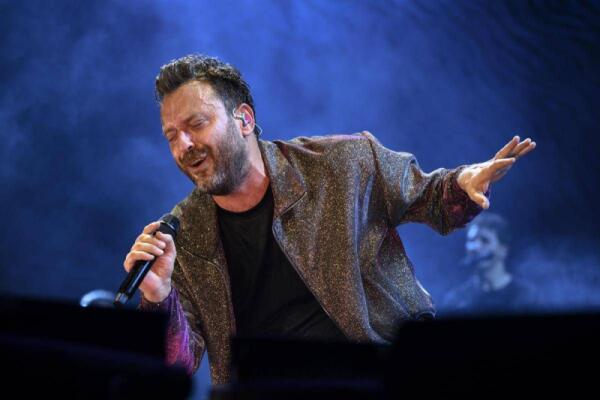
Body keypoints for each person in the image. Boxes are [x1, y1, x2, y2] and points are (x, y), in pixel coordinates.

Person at [122, 54, 536, 384]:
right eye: (171, 136)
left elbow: (430, 197)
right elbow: (176, 365)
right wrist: (158, 296)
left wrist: (463, 183)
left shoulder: (342, 163)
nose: (184, 145)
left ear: (244, 119)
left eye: (196, 124)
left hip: (375, 373)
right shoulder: (181, 236)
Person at [442, 212, 539, 314]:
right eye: (471, 240)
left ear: (503, 250)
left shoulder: (526, 296)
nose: (476, 247)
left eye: (485, 241)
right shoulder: (456, 299)